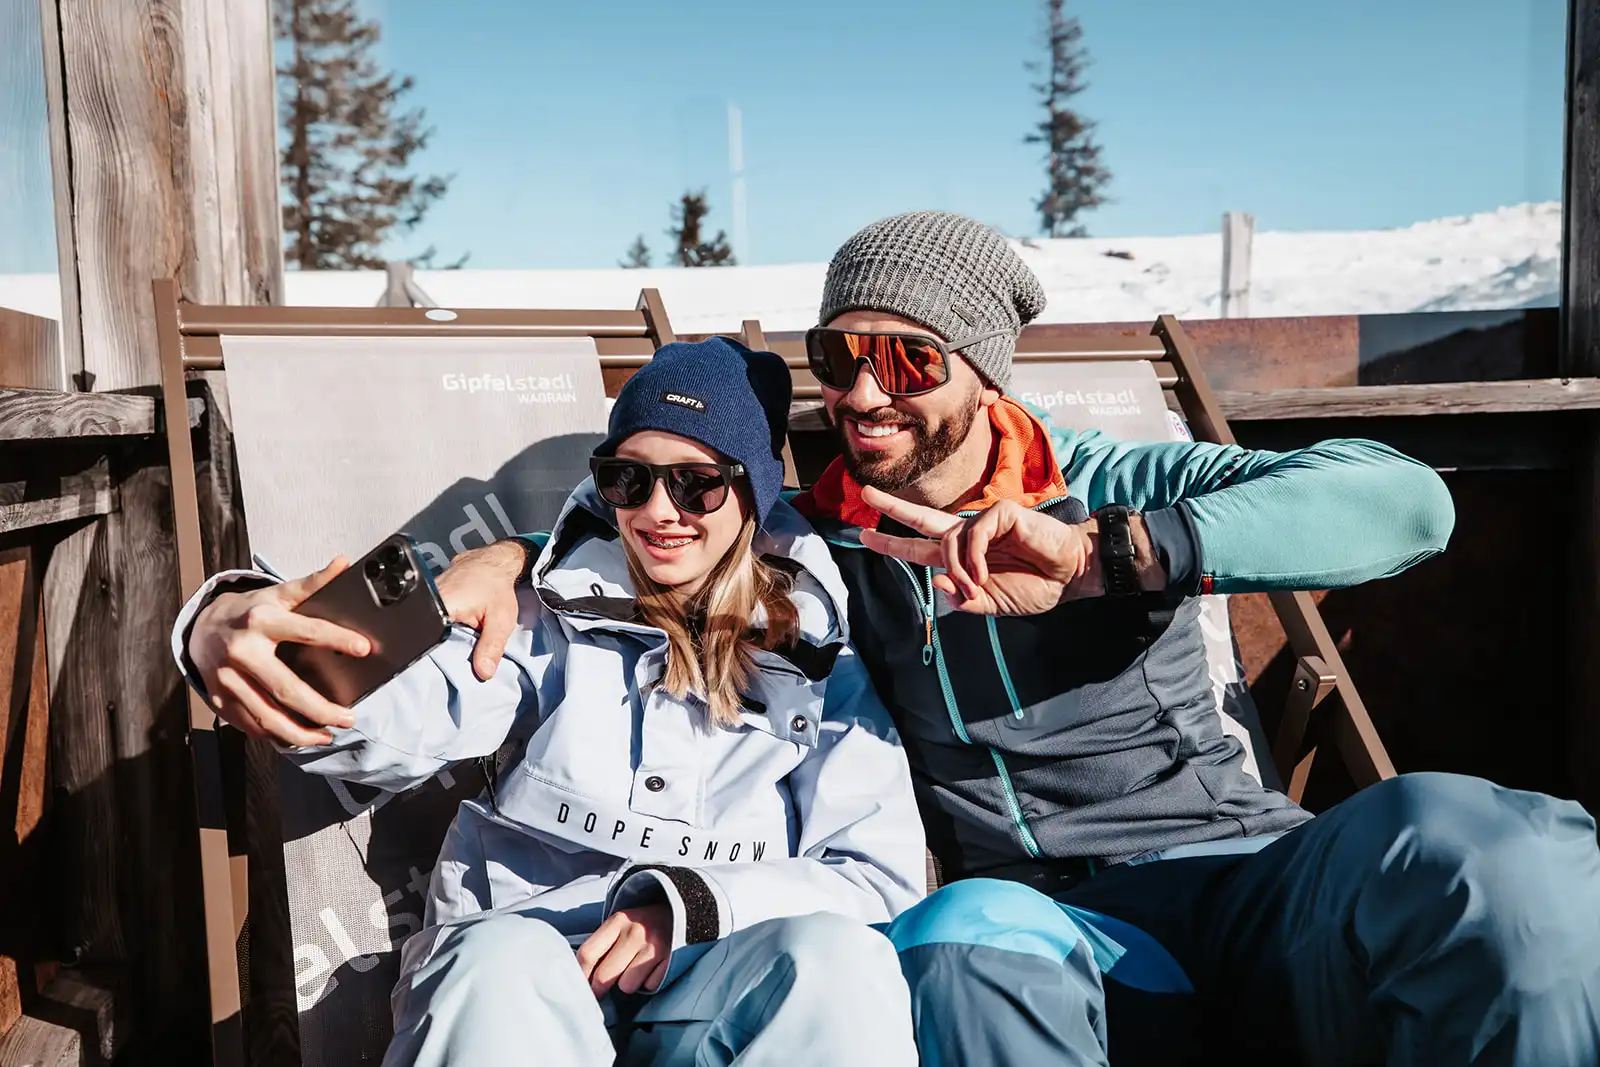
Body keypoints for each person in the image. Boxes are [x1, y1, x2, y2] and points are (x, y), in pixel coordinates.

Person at [431, 212, 1600, 1066]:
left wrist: (1110, 555)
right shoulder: (828, 538)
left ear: (984, 373)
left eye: (909, 358)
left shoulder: (1103, 482)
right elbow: (677, 512)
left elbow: (1405, 504)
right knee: (963, 933)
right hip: (1041, 924)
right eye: (838, 356)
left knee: (1480, 841)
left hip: (1245, 877)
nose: (862, 392)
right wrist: (517, 553)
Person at [169, 338, 926, 1067]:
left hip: (711, 985)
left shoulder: (822, 658)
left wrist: (688, 907)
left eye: (698, 482)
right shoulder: (543, 614)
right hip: (534, 964)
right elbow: (389, 718)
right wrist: (234, 628)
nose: (660, 510)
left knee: (838, 962)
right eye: (629, 478)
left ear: (753, 494)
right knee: (499, 964)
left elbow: (875, 878)